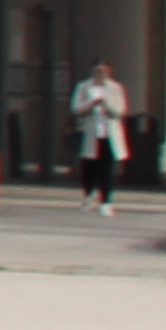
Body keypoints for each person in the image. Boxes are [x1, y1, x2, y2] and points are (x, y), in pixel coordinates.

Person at [68, 62, 131, 217]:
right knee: (89, 168)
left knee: (107, 169)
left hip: (109, 135)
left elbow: (120, 111)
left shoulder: (116, 88)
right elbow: (76, 108)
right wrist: (91, 104)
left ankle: (106, 202)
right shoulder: (84, 86)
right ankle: (88, 196)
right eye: (97, 71)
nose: (100, 74)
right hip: (90, 134)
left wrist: (105, 104)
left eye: (104, 71)